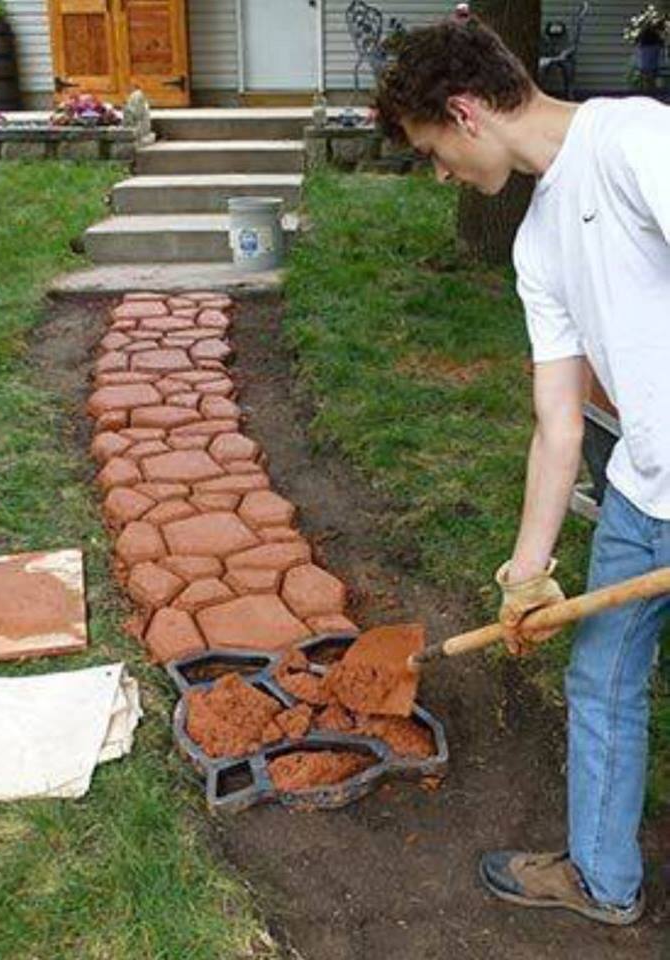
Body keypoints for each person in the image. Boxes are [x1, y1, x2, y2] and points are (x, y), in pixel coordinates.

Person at [376, 14, 670, 927]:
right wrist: (527, 566)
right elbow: (555, 420)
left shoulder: (638, 144)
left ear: (466, 114)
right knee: (602, 679)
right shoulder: (539, 239)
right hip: (642, 491)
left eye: (433, 151)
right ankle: (602, 878)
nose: (440, 173)